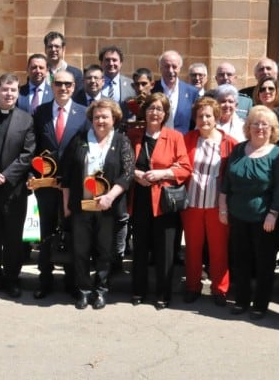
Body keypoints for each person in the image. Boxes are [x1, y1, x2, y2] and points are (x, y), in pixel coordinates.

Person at [60, 98, 135, 309]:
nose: (100, 120)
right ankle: (83, 290)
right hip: (81, 206)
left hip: (108, 207)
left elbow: (127, 174)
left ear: (114, 119)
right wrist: (66, 204)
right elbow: (66, 174)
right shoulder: (80, 139)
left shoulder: (121, 141)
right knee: (80, 249)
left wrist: (110, 196)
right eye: (96, 117)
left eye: (105, 117)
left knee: (105, 250)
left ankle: (101, 290)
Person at [220, 105, 279, 320]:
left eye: (264, 124)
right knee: (240, 260)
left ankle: (260, 304)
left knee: (264, 262)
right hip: (238, 215)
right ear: (248, 127)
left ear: (272, 129)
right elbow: (226, 181)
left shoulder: (277, 154)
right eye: (255, 124)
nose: (259, 128)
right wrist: (223, 207)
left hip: (264, 218)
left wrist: (273, 213)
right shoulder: (239, 149)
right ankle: (241, 300)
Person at [30, 70, 89, 299]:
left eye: (68, 84)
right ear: (52, 86)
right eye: (58, 84)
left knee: (73, 233)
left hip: (73, 187)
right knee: (45, 232)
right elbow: (34, 147)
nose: (63, 88)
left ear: (74, 87)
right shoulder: (40, 112)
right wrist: (34, 175)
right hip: (46, 185)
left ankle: (72, 281)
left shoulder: (84, 114)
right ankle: (45, 279)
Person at [129, 93, 191, 309]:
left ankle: (163, 294)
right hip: (140, 199)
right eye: (151, 108)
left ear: (165, 114)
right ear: (144, 112)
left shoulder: (174, 137)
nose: (154, 112)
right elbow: (124, 162)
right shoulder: (134, 135)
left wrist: (162, 173)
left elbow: (185, 168)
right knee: (140, 247)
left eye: (159, 109)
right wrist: (135, 174)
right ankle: (138, 290)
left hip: (164, 201)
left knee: (165, 250)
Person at [0, 73, 36, 298]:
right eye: (5, 90)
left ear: (17, 93)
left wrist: (7, 175)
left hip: (14, 189)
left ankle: (12, 278)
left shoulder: (26, 119)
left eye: (13, 90)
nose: (8, 94)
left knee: (13, 237)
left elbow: (28, 153)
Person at [182, 97, 238, 306]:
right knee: (193, 248)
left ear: (216, 118)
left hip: (217, 205)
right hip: (192, 202)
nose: (204, 119)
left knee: (219, 248)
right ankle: (192, 286)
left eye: (208, 115)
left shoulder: (229, 143)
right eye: (200, 116)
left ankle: (220, 289)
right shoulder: (187, 139)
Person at [151, 50, 198, 134]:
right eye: (167, 66)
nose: (171, 70)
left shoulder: (191, 92)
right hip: (157, 142)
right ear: (160, 68)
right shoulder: (151, 89)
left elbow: (194, 121)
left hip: (183, 142)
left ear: (180, 68)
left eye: (174, 67)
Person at [253, 76, 279, 154]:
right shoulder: (253, 113)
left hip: (277, 157)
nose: (267, 91)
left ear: (277, 92)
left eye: (271, 88)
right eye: (262, 89)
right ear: (258, 93)